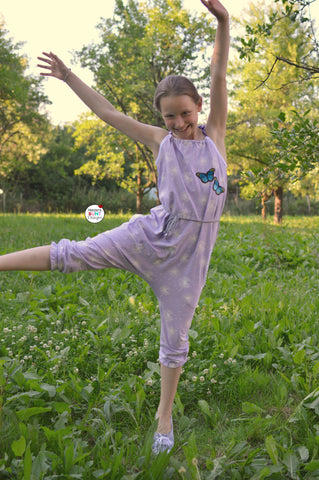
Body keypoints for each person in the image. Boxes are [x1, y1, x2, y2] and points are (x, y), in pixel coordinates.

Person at [0, 0, 229, 454]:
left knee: (175, 340)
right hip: (150, 237)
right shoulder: (162, 140)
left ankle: (164, 419)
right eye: (169, 116)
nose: (179, 123)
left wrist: (224, 20)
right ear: (161, 119)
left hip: (188, 262)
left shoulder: (215, 135)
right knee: (74, 253)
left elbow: (219, 73)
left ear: (199, 106)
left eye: (185, 113)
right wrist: (69, 77)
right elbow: (107, 113)